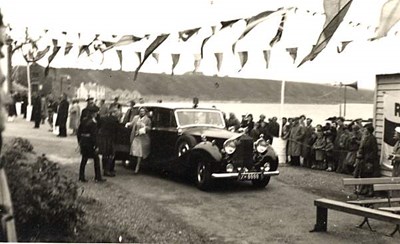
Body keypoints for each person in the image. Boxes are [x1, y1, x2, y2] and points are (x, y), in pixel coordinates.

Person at [77, 106, 105, 183]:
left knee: (84, 159)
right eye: (96, 113)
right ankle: (98, 177)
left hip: (83, 142)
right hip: (90, 143)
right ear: (93, 114)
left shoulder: (84, 120)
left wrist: (80, 141)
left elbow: (78, 132)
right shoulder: (93, 123)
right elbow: (94, 135)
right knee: (96, 159)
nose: (97, 114)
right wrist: (96, 145)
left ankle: (81, 176)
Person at [354, 124, 379, 196]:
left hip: (369, 160)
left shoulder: (372, 138)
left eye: (365, 130)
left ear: (368, 131)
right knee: (363, 174)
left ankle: (370, 191)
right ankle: (363, 189)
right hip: (363, 159)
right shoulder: (365, 138)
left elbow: (374, 150)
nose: (364, 131)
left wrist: (369, 159)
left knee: (369, 175)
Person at [128, 107, 151, 174]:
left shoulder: (147, 120)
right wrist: (128, 124)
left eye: (143, 111)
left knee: (140, 153)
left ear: (145, 112)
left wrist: (144, 128)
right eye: (141, 111)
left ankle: (137, 167)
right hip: (136, 137)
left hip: (143, 138)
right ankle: (135, 164)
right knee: (134, 151)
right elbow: (132, 124)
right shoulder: (136, 118)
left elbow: (149, 128)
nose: (141, 113)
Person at [97, 107, 119, 177]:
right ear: (114, 113)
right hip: (110, 138)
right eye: (117, 113)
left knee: (105, 154)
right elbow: (117, 130)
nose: (118, 114)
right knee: (111, 155)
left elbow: (98, 126)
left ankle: (104, 169)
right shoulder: (115, 120)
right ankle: (108, 170)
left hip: (103, 138)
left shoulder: (103, 118)